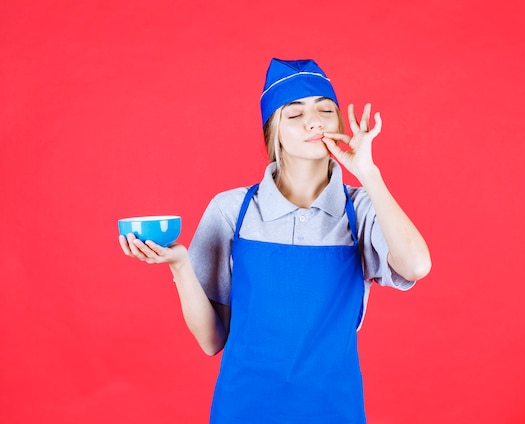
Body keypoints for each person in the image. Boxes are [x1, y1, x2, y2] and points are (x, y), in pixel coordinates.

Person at [119, 58, 431, 423]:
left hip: (333, 410)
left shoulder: (360, 208)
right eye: (294, 114)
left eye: (325, 110)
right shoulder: (232, 211)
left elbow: (416, 265)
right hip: (244, 409)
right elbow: (212, 341)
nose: (313, 120)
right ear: (273, 132)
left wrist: (367, 173)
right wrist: (180, 264)